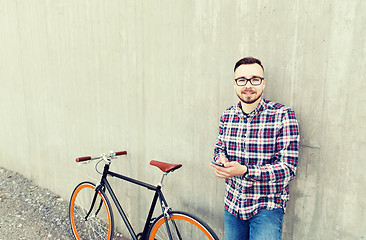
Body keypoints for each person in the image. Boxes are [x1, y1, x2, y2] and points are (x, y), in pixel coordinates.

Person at [211, 57, 300, 240]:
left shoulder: (283, 115)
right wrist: (221, 160)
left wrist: (245, 171)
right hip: (233, 202)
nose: (248, 85)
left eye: (255, 79)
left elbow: (288, 169)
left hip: (266, 205)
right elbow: (219, 148)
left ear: (263, 82)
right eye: (242, 80)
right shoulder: (227, 116)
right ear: (235, 84)